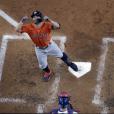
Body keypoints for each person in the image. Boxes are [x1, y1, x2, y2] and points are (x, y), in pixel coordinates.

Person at [16, 10, 78, 81]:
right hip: (39, 49)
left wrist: (49, 19)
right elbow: (17, 29)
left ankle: (70, 63)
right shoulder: (29, 27)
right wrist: (22, 21)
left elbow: (57, 26)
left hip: (50, 46)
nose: (34, 18)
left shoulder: (47, 24)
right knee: (42, 65)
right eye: (33, 17)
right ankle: (48, 72)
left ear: (40, 17)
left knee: (61, 55)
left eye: (36, 16)